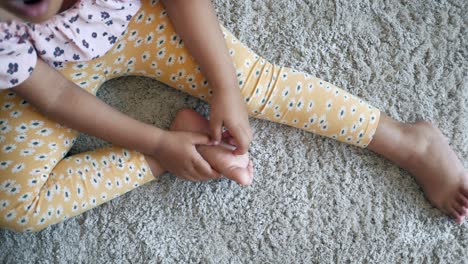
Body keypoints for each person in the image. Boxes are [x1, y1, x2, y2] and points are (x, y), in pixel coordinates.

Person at [0, 0, 466, 233]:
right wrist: (157, 146)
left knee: (253, 84)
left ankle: (408, 141)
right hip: (48, 69)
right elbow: (56, 96)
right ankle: (182, 145)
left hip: (140, 18)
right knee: (13, 206)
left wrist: (225, 87)